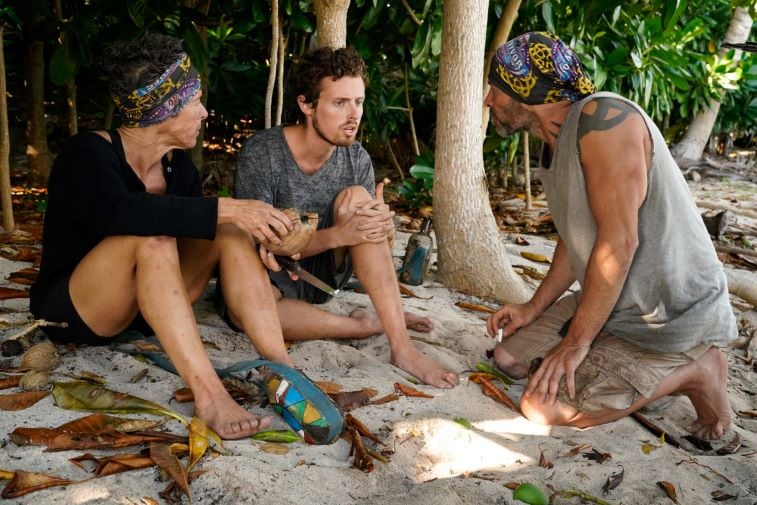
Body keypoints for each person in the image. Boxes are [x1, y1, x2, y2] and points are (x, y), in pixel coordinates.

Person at [30, 33, 299, 440]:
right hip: (76, 312)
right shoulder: (87, 153)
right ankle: (209, 397)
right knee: (151, 236)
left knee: (226, 230)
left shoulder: (180, 171)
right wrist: (225, 206)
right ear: (163, 110)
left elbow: (198, 230)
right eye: (196, 102)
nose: (206, 112)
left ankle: (284, 373)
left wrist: (263, 240)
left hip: (146, 313)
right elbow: (119, 213)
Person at [484, 32, 737, 439]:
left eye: (495, 89)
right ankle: (613, 357)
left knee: (540, 407)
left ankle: (698, 369)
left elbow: (618, 244)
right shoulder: (557, 143)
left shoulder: (604, 121)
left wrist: (575, 343)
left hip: (668, 315)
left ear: (525, 90)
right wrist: (534, 306)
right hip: (614, 304)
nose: (488, 100)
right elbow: (577, 235)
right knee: (509, 358)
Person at [231, 47, 458, 388]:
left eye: (359, 102)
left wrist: (382, 226)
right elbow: (262, 246)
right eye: (340, 103)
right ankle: (363, 326)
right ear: (307, 105)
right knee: (242, 314)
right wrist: (341, 235)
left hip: (323, 274)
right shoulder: (264, 153)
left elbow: (363, 239)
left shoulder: (357, 159)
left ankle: (402, 347)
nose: (354, 115)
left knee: (359, 201)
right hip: (268, 279)